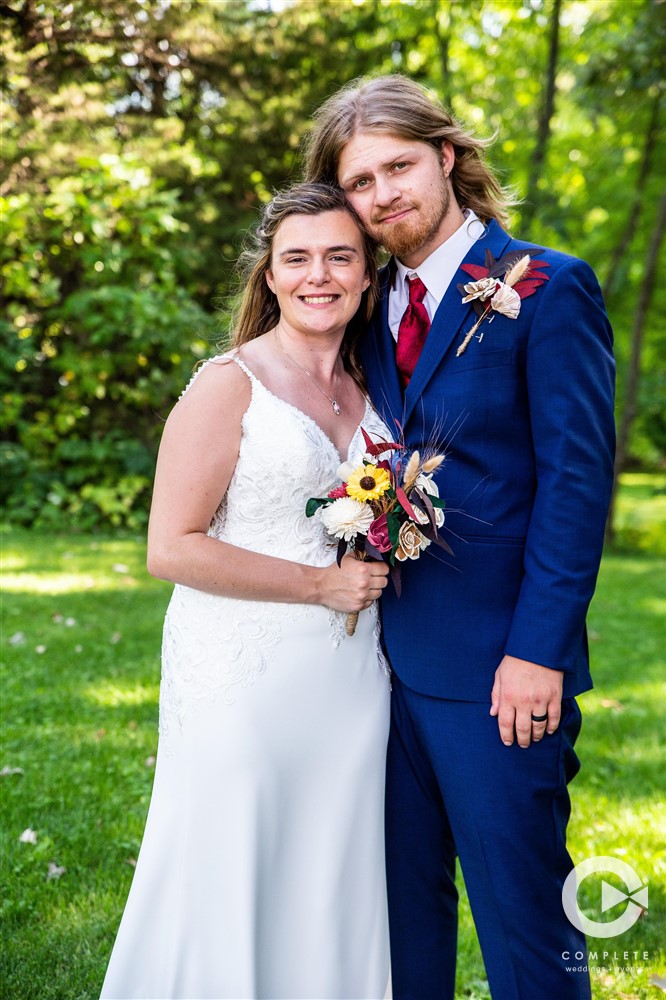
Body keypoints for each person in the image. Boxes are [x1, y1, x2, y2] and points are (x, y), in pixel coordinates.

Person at [304, 75, 615, 1000]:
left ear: (446, 157)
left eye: (398, 166)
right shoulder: (363, 310)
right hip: (371, 675)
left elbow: (576, 485)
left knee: (527, 929)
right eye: (360, 182)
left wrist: (537, 655)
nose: (383, 194)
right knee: (400, 927)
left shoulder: (547, 288)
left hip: (497, 676)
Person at [100, 182, 392, 1000]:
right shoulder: (228, 384)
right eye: (296, 259)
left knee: (330, 862)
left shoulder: (378, 390)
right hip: (240, 671)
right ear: (269, 276)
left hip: (349, 678)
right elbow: (171, 548)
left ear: (368, 273)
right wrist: (320, 586)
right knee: (231, 856)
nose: (319, 275)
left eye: (340, 256)